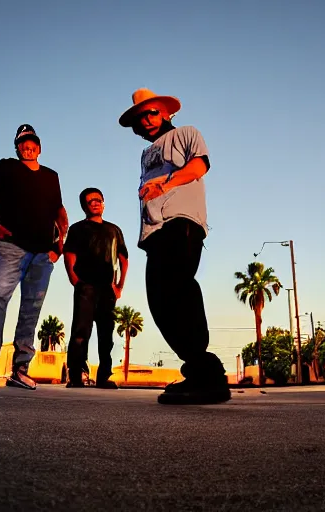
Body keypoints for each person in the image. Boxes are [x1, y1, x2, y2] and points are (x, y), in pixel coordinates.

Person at [119, 88, 230, 405]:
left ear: (165, 113)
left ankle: (208, 375)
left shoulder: (186, 133)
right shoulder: (146, 153)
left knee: (179, 289)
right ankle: (198, 370)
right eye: (141, 118)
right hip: (155, 230)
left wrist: (165, 184)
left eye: (151, 113)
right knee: (159, 299)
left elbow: (199, 167)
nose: (147, 120)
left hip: (182, 222)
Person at [0, 124, 68, 391]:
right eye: (22, 142)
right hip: (11, 246)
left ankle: (20, 369)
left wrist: (59, 246)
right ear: (17, 147)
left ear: (39, 147)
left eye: (32, 142)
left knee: (31, 308)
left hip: (43, 253)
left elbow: (59, 211)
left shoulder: (51, 176)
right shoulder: (6, 167)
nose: (27, 146)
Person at [63, 188, 128, 389]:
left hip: (108, 290)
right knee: (81, 332)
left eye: (98, 200)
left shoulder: (114, 230)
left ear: (103, 203)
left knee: (106, 334)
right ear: (84, 206)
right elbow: (69, 255)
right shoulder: (77, 229)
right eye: (90, 201)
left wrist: (119, 286)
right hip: (86, 286)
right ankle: (76, 375)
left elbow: (123, 259)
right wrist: (74, 279)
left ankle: (104, 376)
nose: (95, 203)